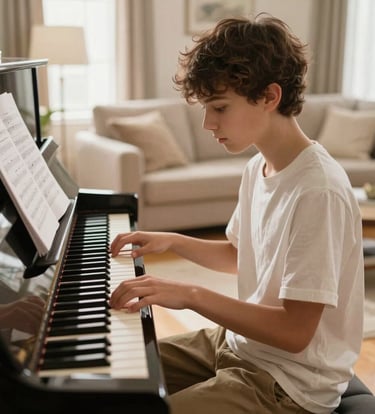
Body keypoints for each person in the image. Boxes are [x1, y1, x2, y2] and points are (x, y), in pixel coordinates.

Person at [109, 14, 364, 414]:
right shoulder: (258, 167)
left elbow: (296, 332)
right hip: (237, 345)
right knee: (111, 377)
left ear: (269, 96)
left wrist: (190, 295)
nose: (209, 123)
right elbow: (239, 254)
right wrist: (172, 241)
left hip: (288, 383)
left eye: (220, 107)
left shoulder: (319, 190)